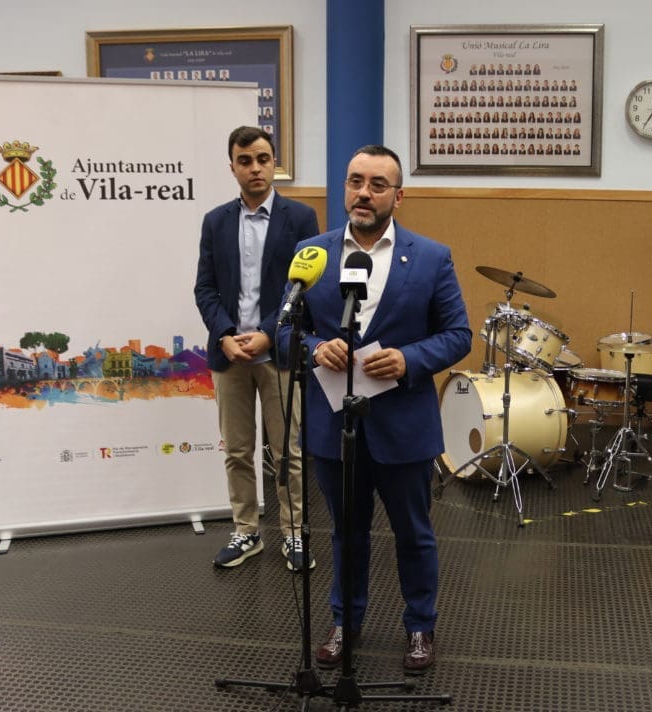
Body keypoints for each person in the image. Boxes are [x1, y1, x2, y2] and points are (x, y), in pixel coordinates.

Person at [280, 145, 471, 675]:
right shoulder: (311, 254)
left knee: (414, 533)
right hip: (333, 424)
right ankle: (346, 622)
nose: (363, 193)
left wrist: (410, 359)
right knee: (346, 533)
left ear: (398, 196)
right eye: (355, 181)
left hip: (404, 425)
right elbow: (284, 328)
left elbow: (458, 335)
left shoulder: (431, 257)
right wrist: (316, 347)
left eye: (377, 185)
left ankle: (420, 626)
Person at [194, 126, 320, 571]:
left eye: (263, 159)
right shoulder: (215, 221)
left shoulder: (300, 218)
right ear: (232, 167)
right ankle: (246, 530)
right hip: (229, 355)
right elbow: (205, 289)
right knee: (237, 451)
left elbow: (305, 287)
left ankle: (293, 533)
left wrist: (269, 332)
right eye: (245, 161)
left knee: (289, 453)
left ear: (273, 164)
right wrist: (225, 335)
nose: (255, 168)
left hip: (279, 352)